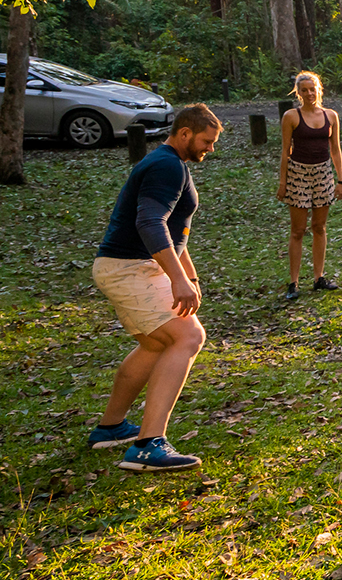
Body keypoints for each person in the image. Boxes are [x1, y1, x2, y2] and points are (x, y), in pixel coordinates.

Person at [89, 103, 222, 472]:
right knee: (188, 337)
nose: (209, 149)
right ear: (184, 134)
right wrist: (177, 280)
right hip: (131, 267)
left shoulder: (169, 163)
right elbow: (150, 223)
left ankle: (111, 427)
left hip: (130, 266)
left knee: (154, 343)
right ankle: (148, 445)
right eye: (206, 141)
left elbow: (175, 233)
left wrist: (189, 276)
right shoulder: (167, 166)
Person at [276, 70, 342, 300]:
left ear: (319, 90)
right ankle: (293, 283)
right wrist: (283, 182)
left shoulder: (331, 116)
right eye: (304, 90)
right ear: (298, 93)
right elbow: (285, 150)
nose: (309, 93)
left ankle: (318, 278)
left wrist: (341, 180)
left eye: (312, 89)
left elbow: (335, 149)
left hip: (323, 173)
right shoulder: (291, 116)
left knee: (319, 227)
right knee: (297, 230)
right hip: (298, 173)